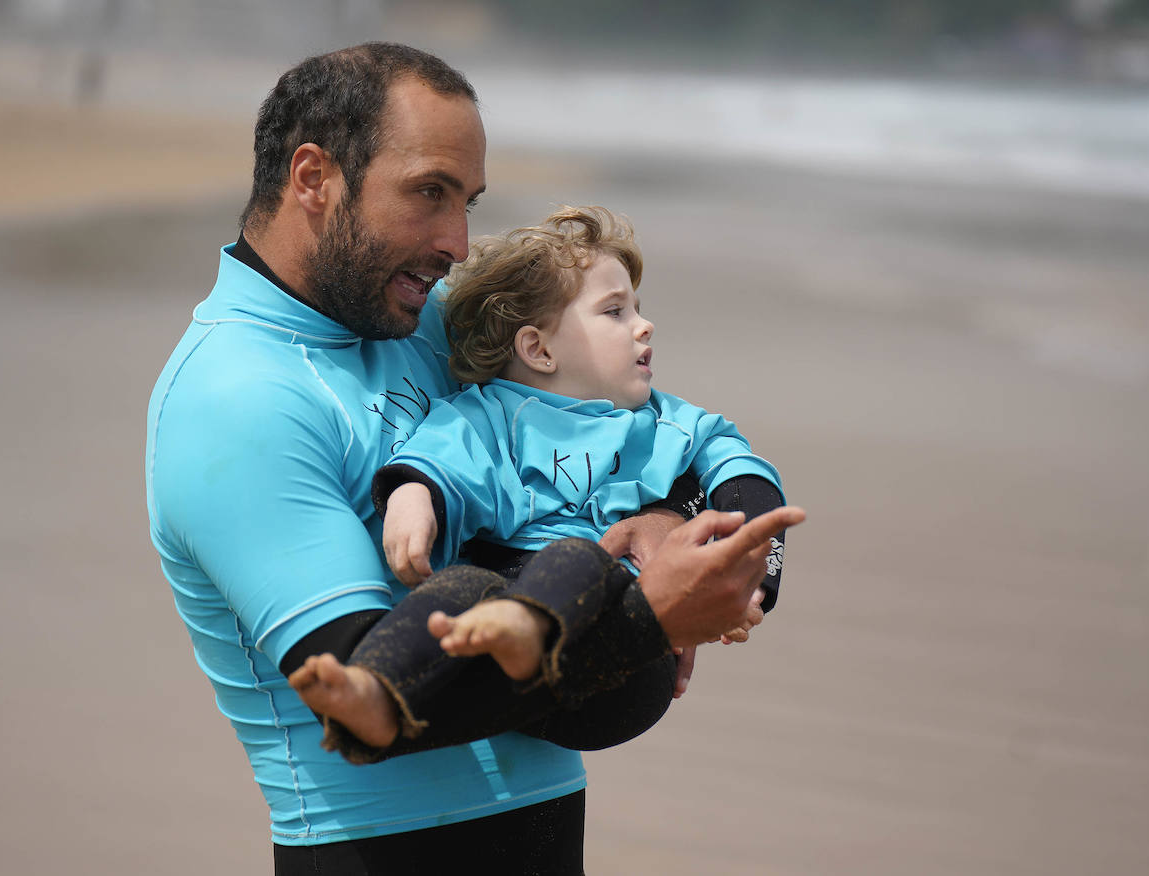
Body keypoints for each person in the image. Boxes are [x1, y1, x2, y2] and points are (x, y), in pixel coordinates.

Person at [144, 42, 804, 874]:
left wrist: (659, 521)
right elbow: (364, 695)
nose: (459, 244)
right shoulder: (236, 398)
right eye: (428, 194)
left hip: (547, 829)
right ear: (313, 178)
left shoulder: (425, 314)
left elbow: (607, 420)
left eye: (469, 202)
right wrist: (646, 619)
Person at [289, 205, 790, 754]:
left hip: (624, 658)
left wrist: (753, 581)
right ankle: (378, 694)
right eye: (614, 311)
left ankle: (529, 629)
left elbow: (742, 475)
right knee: (454, 590)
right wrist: (412, 497)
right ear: (538, 349)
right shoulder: (488, 415)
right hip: (503, 657)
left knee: (579, 558)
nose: (644, 326)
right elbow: (436, 462)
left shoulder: (668, 422)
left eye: (637, 309)